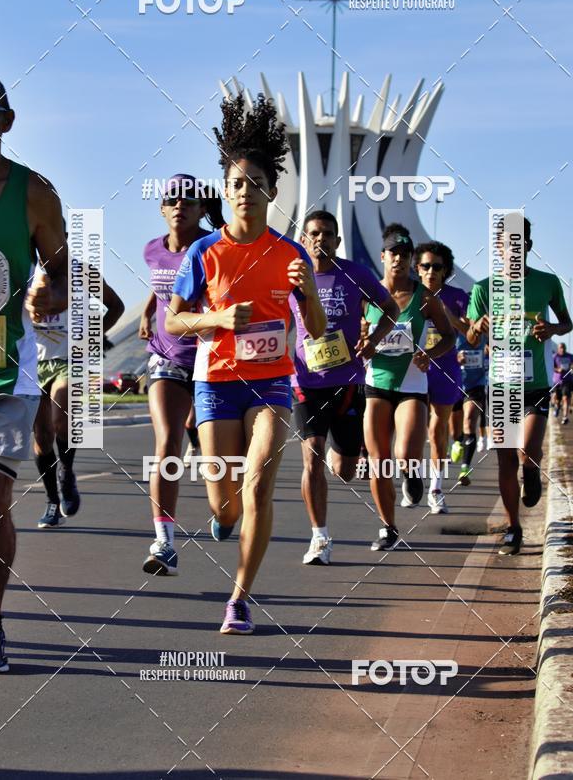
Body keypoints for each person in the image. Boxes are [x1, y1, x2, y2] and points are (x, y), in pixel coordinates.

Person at [166, 93, 326, 633]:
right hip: (216, 384)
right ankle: (222, 518)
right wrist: (216, 322)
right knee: (225, 504)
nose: (246, 193)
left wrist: (308, 299)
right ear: (227, 192)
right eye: (236, 184)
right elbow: (173, 322)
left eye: (256, 184)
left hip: (273, 384)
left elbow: (320, 333)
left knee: (258, 485)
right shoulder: (204, 253)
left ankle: (239, 599)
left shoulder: (291, 253)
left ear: (272, 192)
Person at [0, 78, 68, 671]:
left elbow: (68, 270)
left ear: (6, 122)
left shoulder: (33, 194)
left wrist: (49, 285)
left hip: (6, 372)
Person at [290, 210, 398, 565]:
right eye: (313, 234)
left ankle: (353, 455)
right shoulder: (292, 278)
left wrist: (374, 342)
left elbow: (390, 307)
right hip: (306, 382)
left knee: (344, 469)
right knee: (313, 455)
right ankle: (319, 537)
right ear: (303, 240)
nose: (320, 240)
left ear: (337, 240)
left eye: (327, 234)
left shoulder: (355, 273)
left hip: (348, 383)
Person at [467, 217, 572, 556]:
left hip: (536, 384)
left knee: (528, 450)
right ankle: (513, 527)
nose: (512, 248)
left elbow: (566, 323)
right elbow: (469, 335)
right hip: (500, 386)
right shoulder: (484, 289)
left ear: (528, 244)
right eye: (505, 243)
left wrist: (551, 330)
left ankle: (533, 472)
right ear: (498, 249)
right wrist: (477, 328)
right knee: (505, 460)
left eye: (518, 241)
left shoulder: (547, 283)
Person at [141, 175, 224, 576]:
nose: (179, 205)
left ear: (203, 209)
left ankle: (224, 511)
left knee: (219, 460)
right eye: (171, 199)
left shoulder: (214, 248)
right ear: (161, 208)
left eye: (189, 200)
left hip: (212, 359)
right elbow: (164, 289)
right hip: (166, 358)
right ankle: (164, 542)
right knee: (167, 444)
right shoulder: (152, 250)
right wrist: (146, 312)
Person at [363, 224, 455, 550]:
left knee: (406, 453)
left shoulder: (424, 297)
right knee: (378, 460)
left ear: (410, 259)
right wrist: (362, 339)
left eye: (405, 254)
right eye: (393, 253)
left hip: (412, 383)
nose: (398, 259)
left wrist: (429, 354)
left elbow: (449, 336)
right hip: (376, 383)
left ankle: (412, 473)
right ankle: (388, 527)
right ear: (383, 256)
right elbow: (353, 332)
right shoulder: (369, 293)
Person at [33, 255, 124, 528]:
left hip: (70, 360)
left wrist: (94, 337)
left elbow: (116, 306)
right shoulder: (21, 270)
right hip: (32, 362)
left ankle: (67, 471)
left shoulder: (82, 271)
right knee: (42, 437)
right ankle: (52, 503)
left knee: (61, 417)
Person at [413, 241, 469, 514]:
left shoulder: (457, 296)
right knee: (412, 430)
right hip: (415, 370)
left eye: (437, 267)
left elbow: (470, 334)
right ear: (417, 268)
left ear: (445, 270)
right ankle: (412, 480)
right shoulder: (409, 295)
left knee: (438, 430)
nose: (431, 271)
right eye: (426, 266)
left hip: (445, 371)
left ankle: (435, 488)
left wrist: (447, 314)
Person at [453, 332, 487, 485]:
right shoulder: (453, 329)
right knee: (455, 431)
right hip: (454, 383)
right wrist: (455, 359)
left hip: (476, 385)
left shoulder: (484, 330)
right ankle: (458, 440)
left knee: (469, 421)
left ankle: (465, 469)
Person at [551, 342, 573, 426]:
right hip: (557, 381)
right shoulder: (555, 356)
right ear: (558, 349)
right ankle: (557, 406)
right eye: (561, 348)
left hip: (567, 380)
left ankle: (565, 417)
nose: (562, 349)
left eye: (564, 347)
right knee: (557, 399)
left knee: (566, 398)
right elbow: (550, 366)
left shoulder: (570, 356)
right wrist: (557, 370)